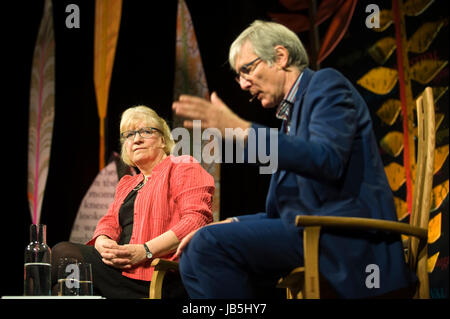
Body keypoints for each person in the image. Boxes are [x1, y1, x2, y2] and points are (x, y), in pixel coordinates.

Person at [172, 20, 416, 298]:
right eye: (238, 76)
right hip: (308, 232)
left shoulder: (326, 85)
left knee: (208, 245)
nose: (242, 84)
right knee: (192, 256)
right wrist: (235, 222)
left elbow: (328, 160)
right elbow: (281, 213)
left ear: (280, 57)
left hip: (343, 235)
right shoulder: (287, 121)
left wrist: (242, 129)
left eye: (247, 70)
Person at [51, 105, 215, 298]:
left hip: (157, 274)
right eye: (128, 135)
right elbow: (109, 223)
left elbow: (196, 221)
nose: (136, 139)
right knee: (63, 286)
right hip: (119, 270)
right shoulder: (127, 184)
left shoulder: (182, 166)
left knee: (64, 253)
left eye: (146, 131)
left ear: (163, 140)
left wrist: (145, 251)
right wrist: (102, 242)